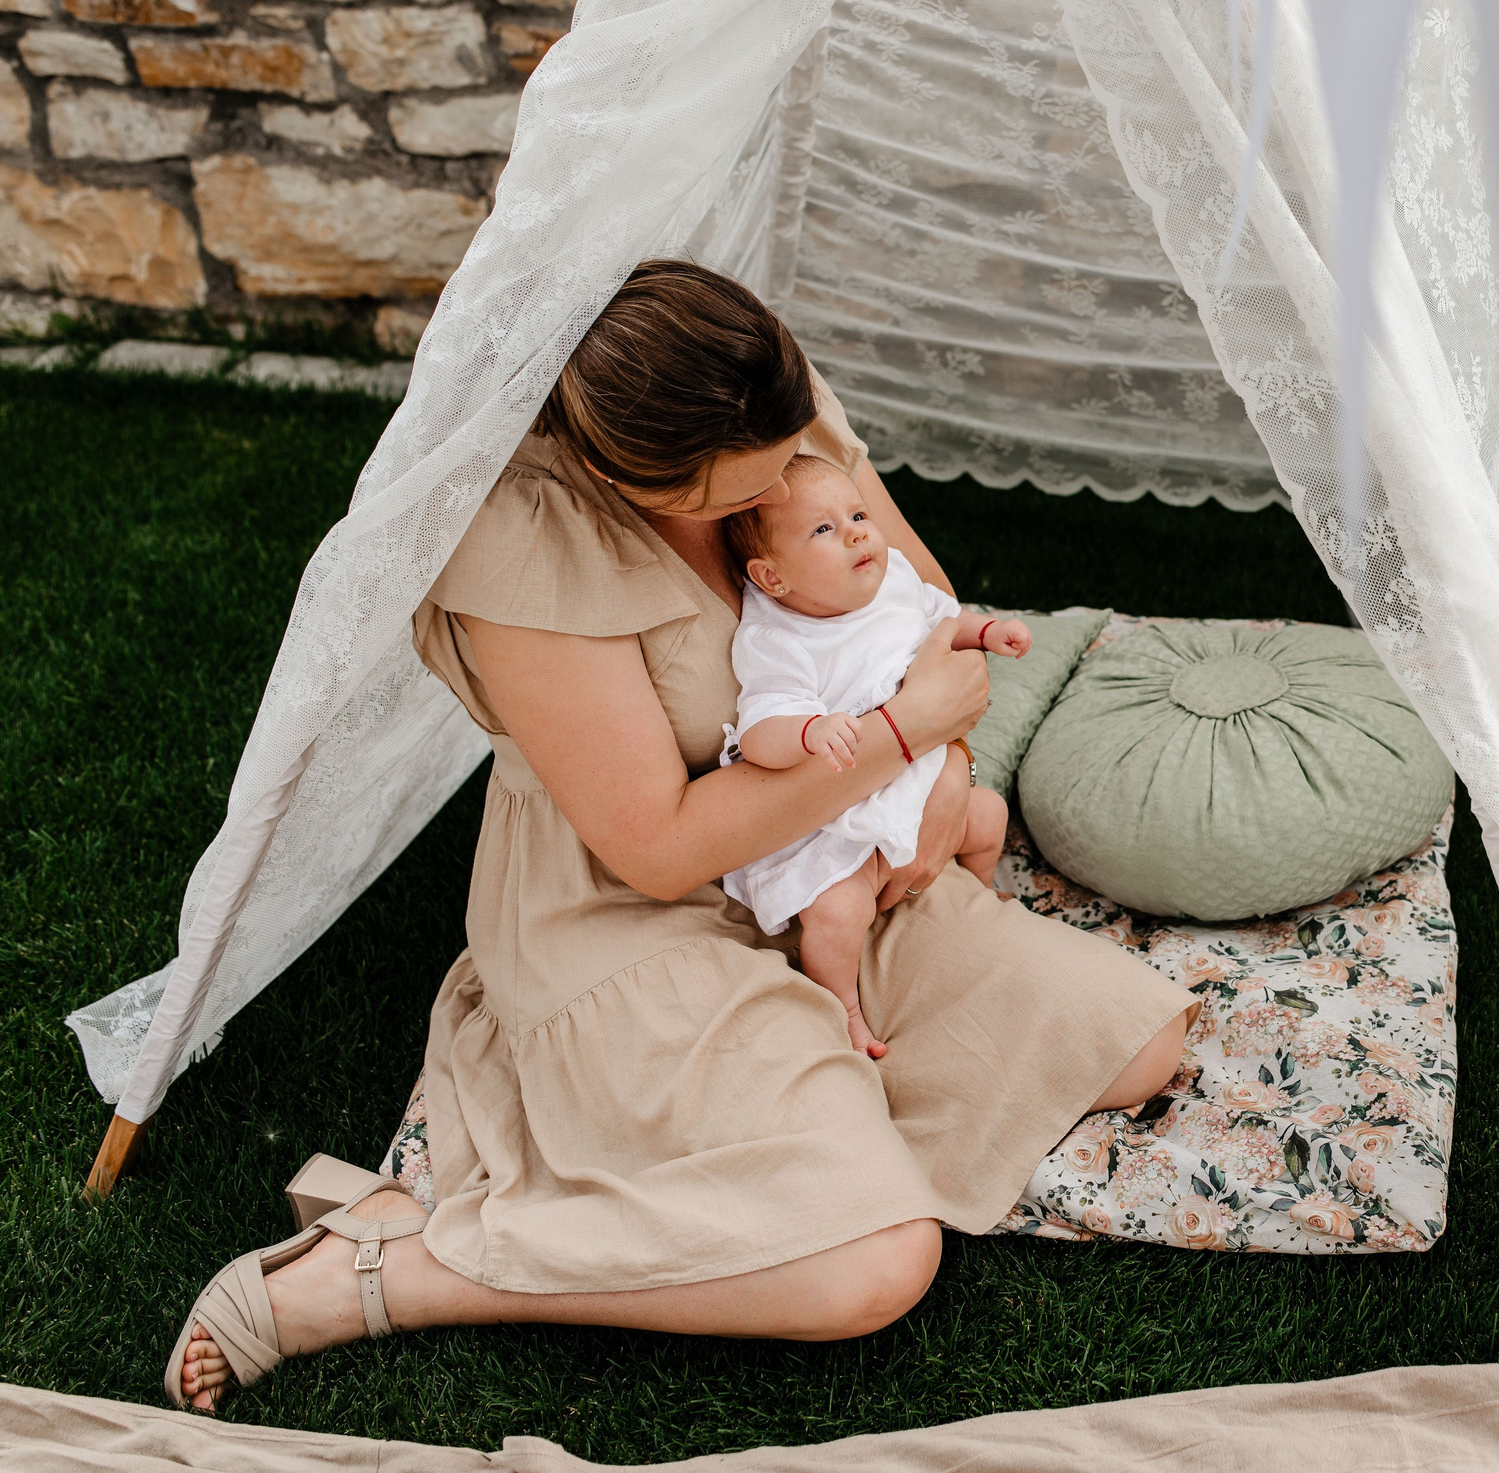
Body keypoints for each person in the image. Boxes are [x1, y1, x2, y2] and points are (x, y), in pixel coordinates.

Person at [167, 260, 1196, 1413]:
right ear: (632, 476)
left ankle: (781, 1123)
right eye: (742, 493)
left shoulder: (763, 397)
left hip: (825, 850)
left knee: (1130, 1044)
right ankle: (396, 1269)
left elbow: (914, 601)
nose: (788, 484)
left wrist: (945, 765)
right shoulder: (525, 530)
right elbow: (655, 845)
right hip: (631, 902)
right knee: (874, 1264)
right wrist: (907, 732)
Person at [718, 453, 1032, 1058]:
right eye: (824, 528)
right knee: (837, 914)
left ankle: (976, 894)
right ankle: (845, 1008)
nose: (857, 533)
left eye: (858, 515)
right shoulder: (778, 637)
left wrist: (985, 632)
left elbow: (944, 621)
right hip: (843, 817)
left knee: (989, 817)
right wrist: (808, 731)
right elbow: (759, 731)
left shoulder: (894, 580)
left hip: (916, 784)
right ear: (773, 577)